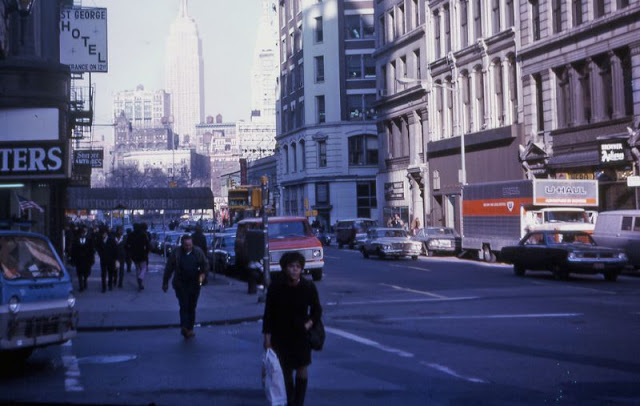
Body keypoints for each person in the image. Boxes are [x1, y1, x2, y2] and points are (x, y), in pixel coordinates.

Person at [263, 252, 322, 406]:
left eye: (298, 267)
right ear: (284, 268)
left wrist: (309, 324)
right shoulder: (276, 287)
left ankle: (299, 401)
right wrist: (267, 337)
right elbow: (268, 313)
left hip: (301, 334)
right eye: (291, 266)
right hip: (281, 334)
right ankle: (289, 400)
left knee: (302, 367)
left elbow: (317, 310)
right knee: (285, 369)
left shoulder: (307, 286)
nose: (295, 270)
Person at [162, 235, 209, 339]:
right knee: (184, 305)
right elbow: (169, 268)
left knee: (192, 306)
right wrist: (165, 282)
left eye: (190, 245)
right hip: (181, 284)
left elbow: (205, 264)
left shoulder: (198, 252)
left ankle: (190, 328)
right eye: (186, 245)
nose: (188, 247)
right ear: (182, 244)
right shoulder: (176, 253)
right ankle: (184, 327)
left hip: (195, 284)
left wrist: (203, 274)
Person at [70, 226, 95, 292]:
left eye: (83, 233)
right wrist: (73, 259)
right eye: (81, 234)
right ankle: (81, 286)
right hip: (79, 260)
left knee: (86, 273)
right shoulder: (76, 241)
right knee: (79, 273)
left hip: (86, 260)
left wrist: (92, 259)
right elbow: (73, 251)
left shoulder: (89, 240)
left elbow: (91, 251)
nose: (82, 235)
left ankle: (85, 281)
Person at [127, 223, 150, 291]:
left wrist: (130, 252)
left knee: (137, 268)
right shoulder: (143, 234)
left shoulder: (131, 235)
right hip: (142, 253)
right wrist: (147, 252)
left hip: (134, 254)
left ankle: (139, 283)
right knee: (144, 267)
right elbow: (147, 244)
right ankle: (140, 278)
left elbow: (127, 244)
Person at [96, 226, 118, 292]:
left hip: (110, 259)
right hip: (103, 259)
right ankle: (104, 287)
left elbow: (115, 249)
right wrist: (100, 254)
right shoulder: (99, 240)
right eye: (102, 234)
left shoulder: (111, 239)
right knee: (103, 273)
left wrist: (115, 258)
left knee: (110, 272)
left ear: (106, 233)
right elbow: (98, 248)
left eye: (104, 233)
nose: (103, 235)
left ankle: (110, 285)